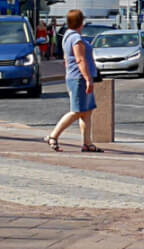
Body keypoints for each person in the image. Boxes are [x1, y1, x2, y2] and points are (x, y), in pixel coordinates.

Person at [43, 11, 102, 152]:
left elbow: (66, 60)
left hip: (74, 76)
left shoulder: (67, 36)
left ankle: (87, 143)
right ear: (80, 22)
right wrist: (88, 79)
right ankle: (53, 136)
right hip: (79, 78)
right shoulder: (76, 38)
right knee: (76, 111)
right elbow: (80, 59)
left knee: (87, 111)